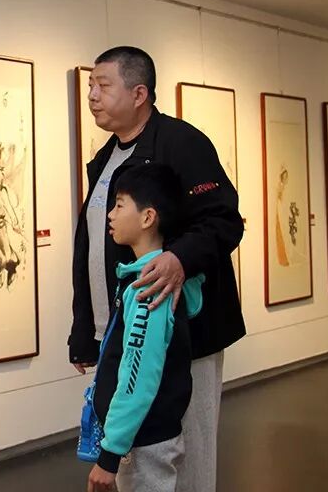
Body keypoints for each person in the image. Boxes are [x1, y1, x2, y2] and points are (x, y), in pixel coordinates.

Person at [70, 46, 245, 492]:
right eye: (90, 85)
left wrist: (179, 259)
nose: (92, 95)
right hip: (123, 330)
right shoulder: (106, 159)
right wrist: (87, 329)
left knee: (189, 461)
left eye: (103, 85)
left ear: (139, 94)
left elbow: (223, 219)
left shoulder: (182, 144)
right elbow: (91, 245)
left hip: (185, 334)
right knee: (136, 456)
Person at [87, 163, 203, 492]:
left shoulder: (149, 289)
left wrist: (110, 454)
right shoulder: (146, 279)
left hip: (142, 443)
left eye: (119, 205)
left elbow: (137, 377)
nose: (110, 215)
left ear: (148, 217)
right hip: (144, 438)